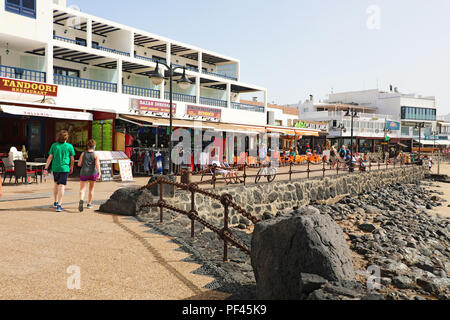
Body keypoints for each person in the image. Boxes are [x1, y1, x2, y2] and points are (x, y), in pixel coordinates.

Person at [44, 130, 75, 213]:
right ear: (67, 138)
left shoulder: (54, 145)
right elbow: (72, 158)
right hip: (64, 168)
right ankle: (59, 205)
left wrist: (46, 168)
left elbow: (50, 157)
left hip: (55, 168)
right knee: (62, 186)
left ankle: (55, 201)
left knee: (55, 184)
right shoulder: (69, 146)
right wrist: (71, 167)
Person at [78, 139, 101, 212]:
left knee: (82, 189)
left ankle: (81, 200)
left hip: (84, 172)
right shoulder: (95, 154)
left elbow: (79, 164)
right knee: (91, 189)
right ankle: (89, 203)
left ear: (87, 146)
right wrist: (99, 172)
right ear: (94, 146)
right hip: (92, 173)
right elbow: (97, 164)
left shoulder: (83, 154)